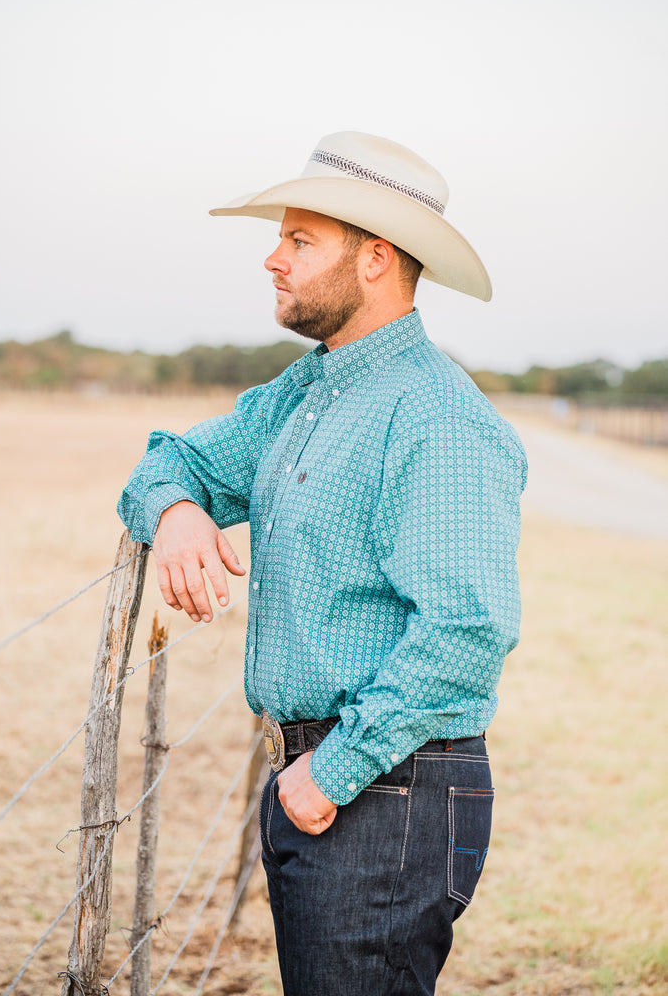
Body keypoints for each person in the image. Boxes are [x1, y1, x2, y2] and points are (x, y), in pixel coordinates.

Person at [118, 131, 527, 996]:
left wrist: (325, 775)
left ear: (375, 259)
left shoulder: (435, 418)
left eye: (300, 240)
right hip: (333, 780)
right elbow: (167, 461)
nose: (272, 259)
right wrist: (182, 514)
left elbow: (466, 631)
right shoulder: (309, 391)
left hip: (384, 783)